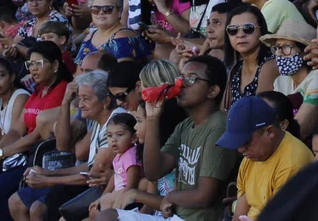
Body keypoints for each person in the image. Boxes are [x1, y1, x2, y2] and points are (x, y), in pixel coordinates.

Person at [95, 55, 237, 221]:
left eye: (190, 79)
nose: (180, 84)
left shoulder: (218, 126)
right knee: (108, 216)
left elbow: (203, 196)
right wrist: (153, 118)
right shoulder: (185, 126)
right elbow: (154, 171)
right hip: (176, 216)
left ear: (212, 91)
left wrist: (171, 197)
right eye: (180, 78)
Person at [216, 95, 314, 219]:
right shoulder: (253, 156)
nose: (240, 150)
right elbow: (241, 209)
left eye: (246, 142)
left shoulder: (292, 164)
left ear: (270, 132)